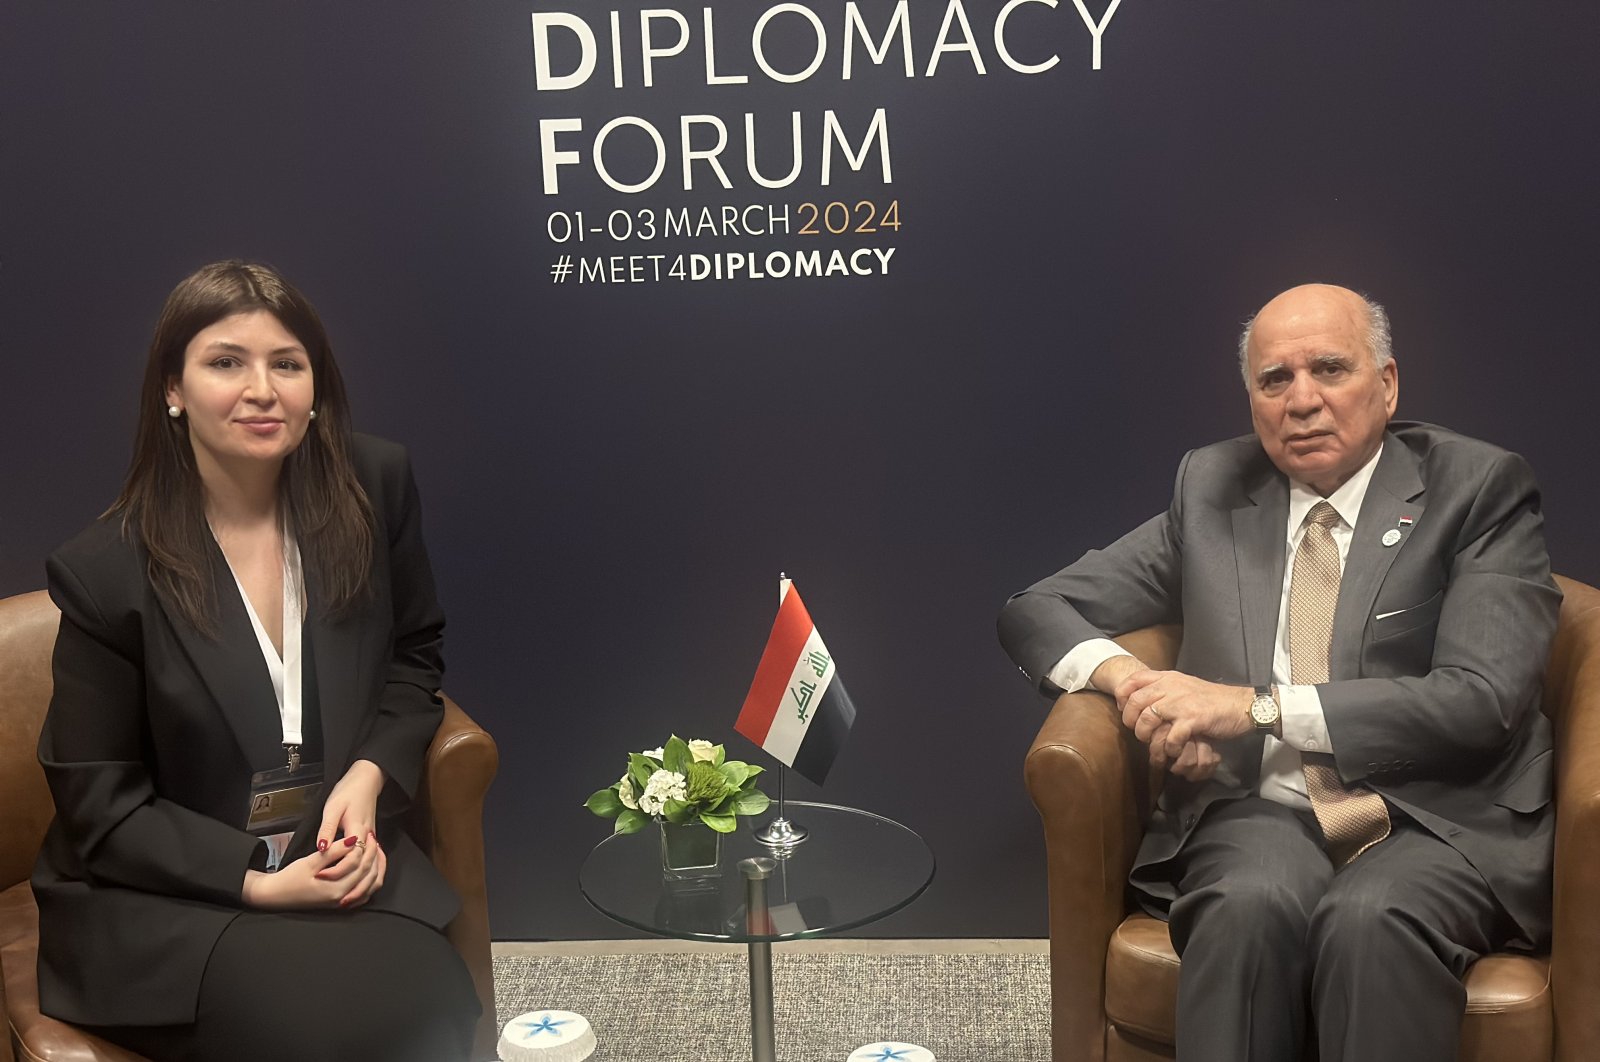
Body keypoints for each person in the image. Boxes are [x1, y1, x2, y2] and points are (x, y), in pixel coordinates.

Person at [998, 283, 1558, 1062]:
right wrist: (1142, 691)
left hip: (1436, 814)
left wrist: (1253, 708)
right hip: (1261, 811)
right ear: (1252, 399)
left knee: (1372, 922)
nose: (1303, 401)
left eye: (1330, 370)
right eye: (1275, 379)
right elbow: (1036, 608)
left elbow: (1482, 701)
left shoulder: (1477, 490)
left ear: (1387, 383)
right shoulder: (1213, 491)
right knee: (1244, 908)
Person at [34, 260, 480, 1061]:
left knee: (434, 996)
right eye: (225, 362)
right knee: (323, 1029)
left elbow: (416, 655)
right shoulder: (105, 571)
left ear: (316, 386)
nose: (262, 389)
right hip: (181, 896)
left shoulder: (371, 486)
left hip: (335, 856)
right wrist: (259, 882)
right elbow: (101, 807)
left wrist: (369, 774)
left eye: (287, 363)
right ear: (173, 389)